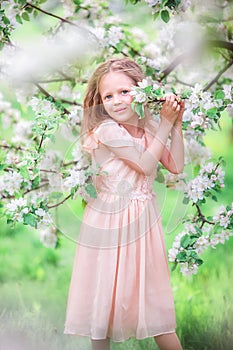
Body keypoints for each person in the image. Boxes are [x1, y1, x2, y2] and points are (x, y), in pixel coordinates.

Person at [64, 58, 185, 350]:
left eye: (124, 92)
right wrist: (165, 124)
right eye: (108, 96)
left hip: (143, 222)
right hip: (110, 222)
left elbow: (176, 166)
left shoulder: (150, 126)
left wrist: (175, 125)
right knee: (104, 300)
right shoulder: (107, 131)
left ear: (140, 92)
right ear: (100, 101)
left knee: (153, 300)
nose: (116, 101)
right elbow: (144, 164)